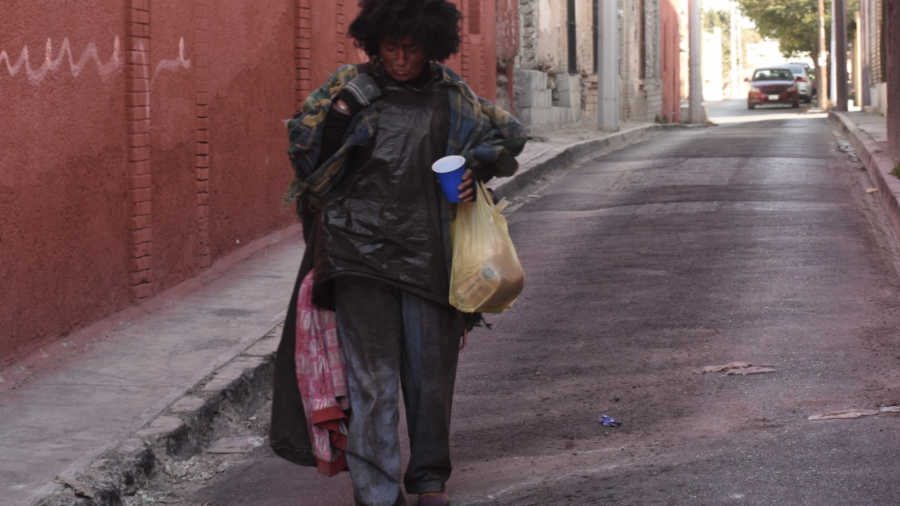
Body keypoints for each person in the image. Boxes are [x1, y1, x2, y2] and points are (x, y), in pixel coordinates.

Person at [280, 1, 529, 504]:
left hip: (429, 255)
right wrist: (343, 111)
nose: (400, 59)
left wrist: (473, 171)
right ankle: (376, 492)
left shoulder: (453, 95)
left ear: (431, 46)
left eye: (411, 49)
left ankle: (429, 479)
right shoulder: (347, 86)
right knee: (371, 382)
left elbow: (508, 136)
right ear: (374, 42)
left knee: (430, 378)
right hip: (355, 256)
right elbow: (304, 152)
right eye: (391, 47)